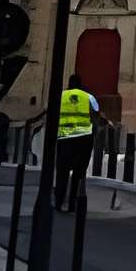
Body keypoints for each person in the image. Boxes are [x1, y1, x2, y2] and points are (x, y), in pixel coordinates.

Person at [55, 74, 99, 212]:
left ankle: (58, 202)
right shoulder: (89, 97)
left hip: (65, 137)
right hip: (83, 139)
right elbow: (96, 114)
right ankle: (72, 203)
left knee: (62, 172)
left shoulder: (62, 96)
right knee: (78, 173)